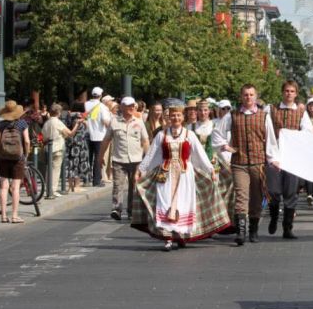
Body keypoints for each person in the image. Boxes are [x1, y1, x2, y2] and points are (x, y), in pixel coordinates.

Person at [132, 100, 230, 250]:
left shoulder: (189, 134)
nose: (175, 118)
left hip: (185, 174)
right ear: (169, 118)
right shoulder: (162, 135)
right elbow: (152, 154)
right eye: (173, 116)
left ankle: (181, 234)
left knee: (183, 203)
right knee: (165, 201)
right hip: (165, 173)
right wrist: (141, 169)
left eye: (178, 115)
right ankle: (168, 237)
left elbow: (200, 154)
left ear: (182, 117)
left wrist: (210, 170)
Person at [212, 84, 279, 245]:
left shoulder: (264, 116)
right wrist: (225, 146)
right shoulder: (232, 115)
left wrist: (273, 158)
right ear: (241, 97)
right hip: (239, 162)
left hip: (258, 162)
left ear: (255, 97)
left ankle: (253, 229)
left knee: (256, 197)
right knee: (241, 195)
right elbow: (217, 133)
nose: (248, 97)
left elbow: (270, 139)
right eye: (245, 95)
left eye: (251, 95)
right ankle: (240, 231)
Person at [268, 80, 313, 239]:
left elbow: (308, 132)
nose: (289, 94)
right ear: (282, 92)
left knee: (290, 193)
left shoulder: (301, 112)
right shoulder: (272, 109)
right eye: (286, 91)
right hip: (275, 155)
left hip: (292, 157)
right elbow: (265, 129)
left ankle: (287, 227)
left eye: (292, 91)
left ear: (296, 93)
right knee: (273, 190)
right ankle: (273, 216)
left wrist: (293, 135)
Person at [99, 97, 149, 221]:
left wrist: (147, 160)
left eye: (133, 105)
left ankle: (131, 210)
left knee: (134, 185)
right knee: (118, 185)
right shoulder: (114, 122)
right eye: (128, 105)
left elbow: (145, 141)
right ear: (121, 107)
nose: (131, 108)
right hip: (119, 159)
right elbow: (106, 140)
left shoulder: (139, 122)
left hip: (136, 160)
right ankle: (117, 209)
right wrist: (100, 157)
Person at [0, 101, 31, 224]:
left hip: (3, 159)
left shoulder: (0, 125)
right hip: (18, 159)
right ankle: (15, 216)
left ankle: (3, 216)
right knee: (15, 188)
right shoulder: (22, 123)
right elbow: (26, 141)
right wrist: (26, 154)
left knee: (3, 187)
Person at [41, 103, 78, 197]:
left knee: (49, 169)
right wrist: (77, 124)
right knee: (55, 170)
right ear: (58, 112)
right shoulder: (57, 122)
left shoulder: (47, 122)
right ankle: (52, 190)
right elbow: (70, 134)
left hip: (48, 148)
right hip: (57, 148)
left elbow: (44, 137)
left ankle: (48, 189)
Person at [85, 87, 112, 187]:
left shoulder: (86, 104)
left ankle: (86, 179)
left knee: (87, 158)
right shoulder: (102, 107)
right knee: (98, 158)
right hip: (99, 135)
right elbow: (105, 121)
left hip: (87, 134)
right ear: (100, 96)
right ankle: (96, 180)